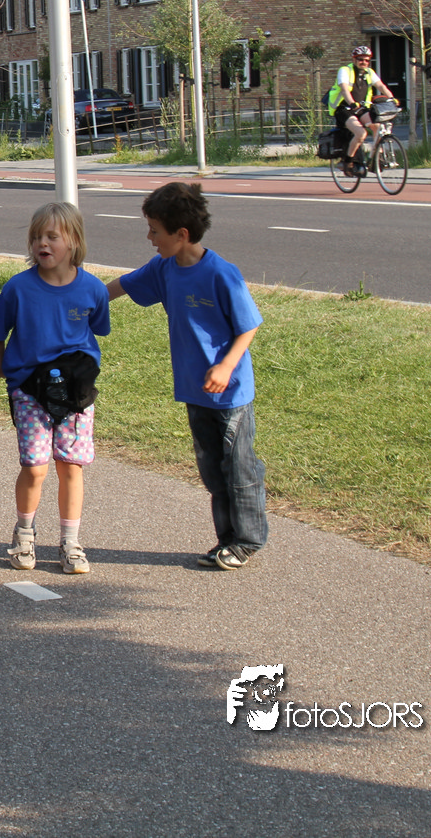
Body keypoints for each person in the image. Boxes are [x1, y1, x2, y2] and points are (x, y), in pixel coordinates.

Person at [106, 182, 267, 571]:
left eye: (154, 231)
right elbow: (121, 286)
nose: (149, 238)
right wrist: (74, 298)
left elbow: (249, 325)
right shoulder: (164, 269)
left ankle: (247, 540)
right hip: (195, 390)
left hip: (230, 393)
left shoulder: (221, 274)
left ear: (180, 234)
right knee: (213, 471)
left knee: (239, 468)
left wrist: (226, 366)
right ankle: (226, 540)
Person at [0, 202, 111, 576]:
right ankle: (24, 534)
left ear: (73, 242)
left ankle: (70, 542)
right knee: (35, 465)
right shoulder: (19, 288)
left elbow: (98, 327)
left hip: (76, 391)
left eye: (52, 236)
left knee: (71, 466)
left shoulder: (92, 289)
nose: (42, 243)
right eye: (37, 237)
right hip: (29, 389)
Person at [329, 45, 396, 178]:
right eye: (360, 59)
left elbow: (381, 85)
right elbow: (344, 89)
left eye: (367, 60)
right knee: (361, 133)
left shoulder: (369, 72)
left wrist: (392, 98)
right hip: (344, 108)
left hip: (361, 108)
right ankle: (348, 162)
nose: (364, 62)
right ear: (354, 59)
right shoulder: (345, 71)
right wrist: (352, 103)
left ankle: (376, 158)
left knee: (378, 126)